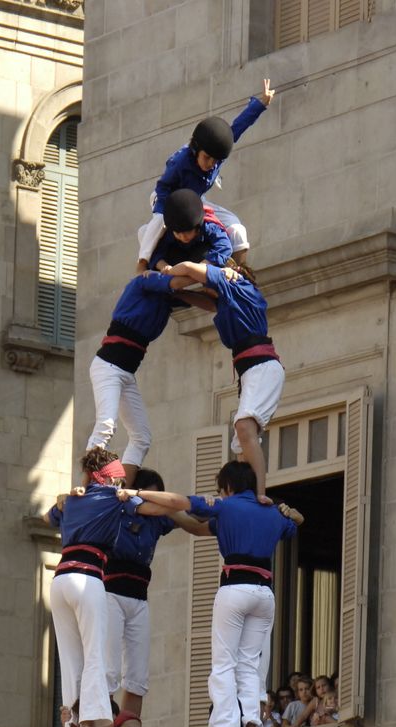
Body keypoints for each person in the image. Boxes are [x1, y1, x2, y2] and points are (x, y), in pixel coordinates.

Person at [136, 462, 303, 727]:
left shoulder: (225, 506)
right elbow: (295, 522)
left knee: (224, 663)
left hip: (236, 588)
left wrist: (138, 494)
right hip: (265, 594)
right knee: (249, 663)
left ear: (227, 487)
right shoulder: (272, 512)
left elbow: (181, 502)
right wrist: (294, 515)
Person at [86, 275, 217, 487]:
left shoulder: (165, 298)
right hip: (108, 366)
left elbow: (211, 304)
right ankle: (85, 486)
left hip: (126, 372)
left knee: (142, 437)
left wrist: (209, 283)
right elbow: (173, 282)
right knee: (106, 426)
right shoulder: (145, 281)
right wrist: (200, 273)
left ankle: (122, 492)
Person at [168, 256, 283, 497]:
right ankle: (246, 494)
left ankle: (260, 493)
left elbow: (188, 268)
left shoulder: (236, 283)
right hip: (252, 369)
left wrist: (165, 274)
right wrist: (177, 295)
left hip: (261, 366)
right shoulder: (231, 297)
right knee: (241, 444)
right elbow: (208, 303)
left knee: (243, 427)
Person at [46, 448, 142, 727]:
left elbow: (48, 517)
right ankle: (90, 720)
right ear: (107, 477)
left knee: (70, 654)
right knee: (94, 653)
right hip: (88, 578)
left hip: (60, 579)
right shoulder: (112, 497)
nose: (119, 485)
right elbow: (146, 507)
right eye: (117, 480)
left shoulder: (72, 500)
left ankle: (71, 722)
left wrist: (63, 499)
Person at [135, 88, 275, 268]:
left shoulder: (216, 156)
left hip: (195, 200)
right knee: (158, 222)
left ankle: (241, 271)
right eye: (207, 158)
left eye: (215, 160)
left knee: (237, 228)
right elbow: (163, 188)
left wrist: (261, 104)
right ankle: (142, 263)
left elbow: (237, 129)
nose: (211, 164)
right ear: (196, 151)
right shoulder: (180, 162)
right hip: (166, 198)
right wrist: (169, 215)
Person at [103, 471, 178, 719]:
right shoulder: (119, 510)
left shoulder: (158, 521)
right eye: (150, 495)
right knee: (108, 668)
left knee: (137, 674)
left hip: (139, 599)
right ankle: (102, 726)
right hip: (111, 594)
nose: (154, 503)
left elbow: (186, 514)